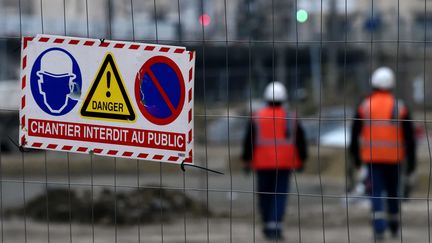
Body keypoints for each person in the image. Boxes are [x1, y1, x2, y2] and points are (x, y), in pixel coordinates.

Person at [349, 67, 416, 240]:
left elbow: (354, 133)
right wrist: (412, 163)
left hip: (372, 159)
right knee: (393, 192)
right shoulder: (399, 107)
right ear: (392, 84)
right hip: (394, 159)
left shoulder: (365, 106)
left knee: (375, 192)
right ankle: (394, 225)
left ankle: (379, 228)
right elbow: (410, 138)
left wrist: (356, 158)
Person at [242, 81, 308, 240]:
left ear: (266, 98)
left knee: (264, 195)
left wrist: (246, 161)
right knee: (279, 195)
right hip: (284, 164)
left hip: (262, 163)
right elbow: (301, 141)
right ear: (284, 98)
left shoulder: (257, 116)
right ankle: (275, 227)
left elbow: (248, 140)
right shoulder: (291, 117)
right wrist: (302, 160)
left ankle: (267, 225)